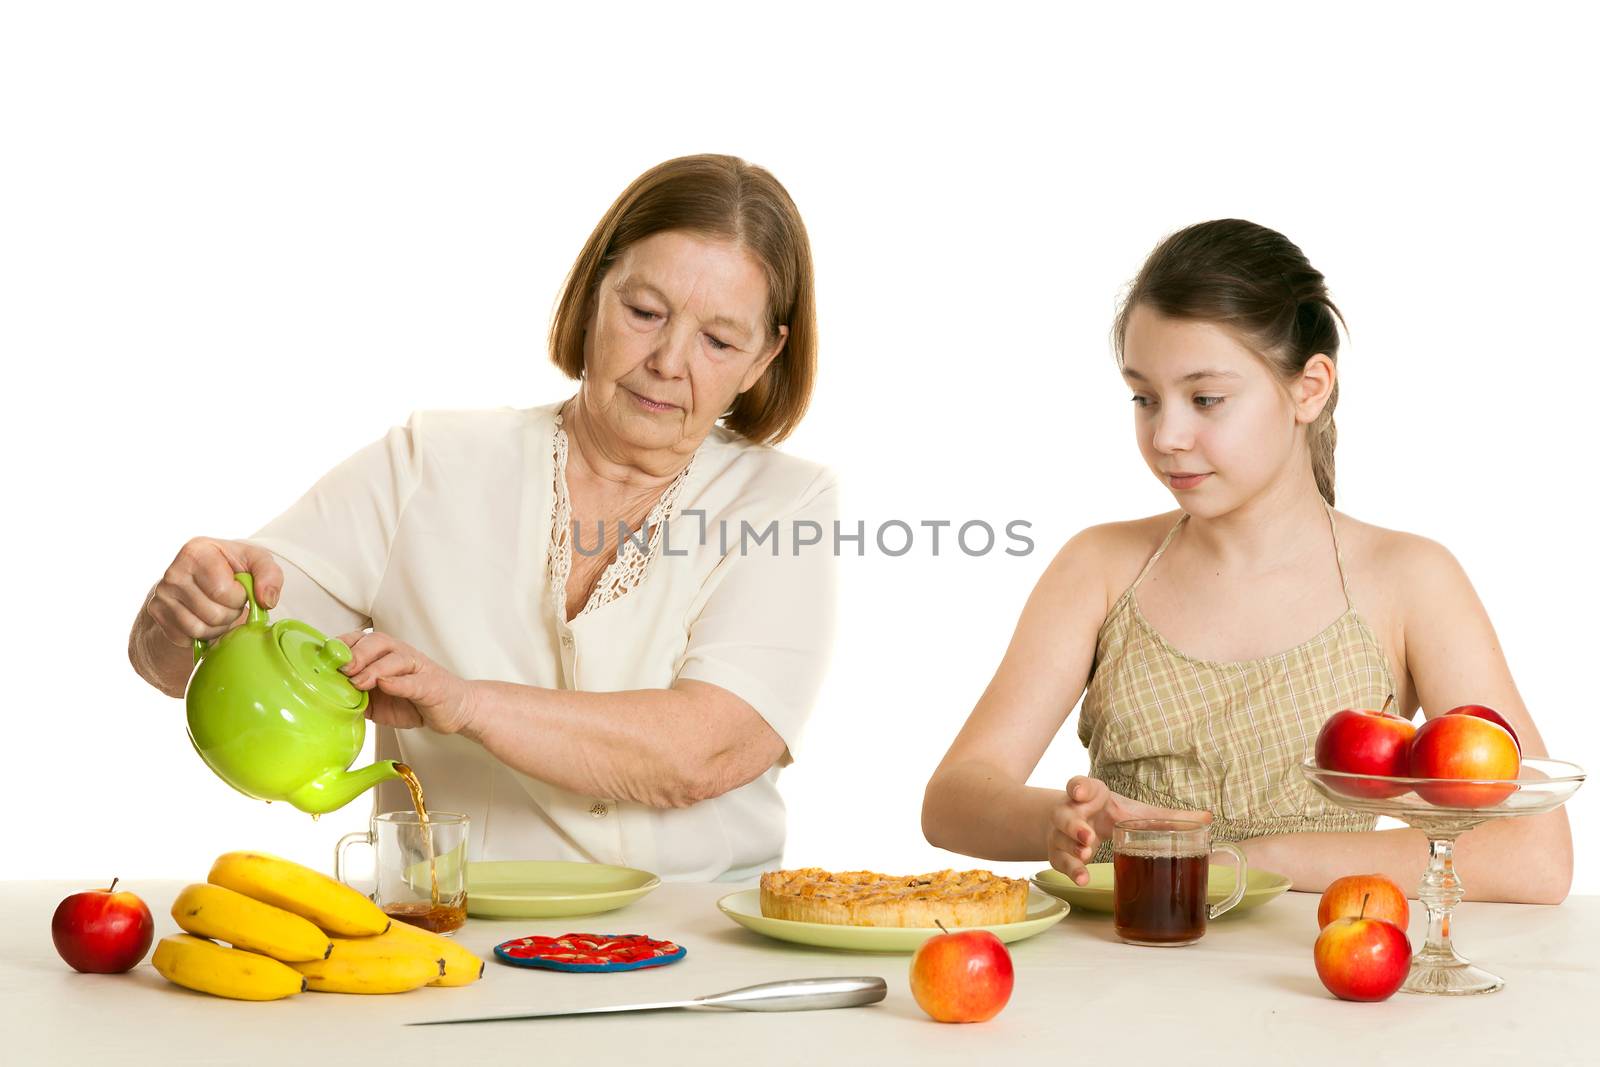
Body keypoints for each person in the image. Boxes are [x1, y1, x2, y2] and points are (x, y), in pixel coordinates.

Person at [128, 154, 836, 882]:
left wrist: (465, 703)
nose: (668, 361)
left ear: (763, 359)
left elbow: (707, 751)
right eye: (645, 312)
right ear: (595, 291)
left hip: (696, 943)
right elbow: (192, 664)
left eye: (718, 341)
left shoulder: (785, 505)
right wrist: (186, 615)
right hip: (445, 933)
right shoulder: (429, 461)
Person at [922, 219, 1571, 903]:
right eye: (1144, 397)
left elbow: (1533, 855)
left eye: (1206, 399)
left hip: (1315, 977)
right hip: (1123, 967)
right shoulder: (1099, 568)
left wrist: (1256, 858)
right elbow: (953, 796)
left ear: (1309, 388)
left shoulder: (1409, 581)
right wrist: (1056, 820)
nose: (1167, 435)